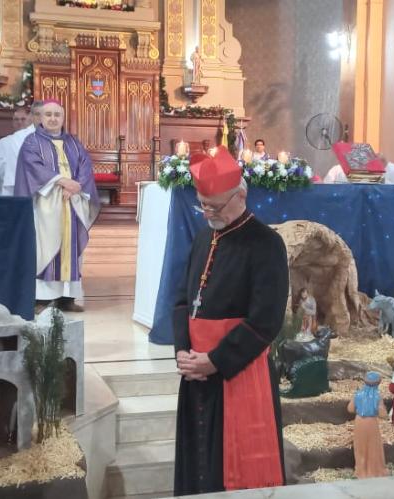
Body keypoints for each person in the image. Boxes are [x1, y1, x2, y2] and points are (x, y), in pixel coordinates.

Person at [172, 146, 288, 494]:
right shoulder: (205, 235)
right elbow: (181, 299)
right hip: (196, 372)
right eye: (202, 204)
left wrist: (216, 361)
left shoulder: (266, 244)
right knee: (197, 465)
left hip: (238, 371)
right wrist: (182, 351)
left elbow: (265, 322)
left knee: (235, 469)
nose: (207, 213)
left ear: (241, 195)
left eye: (215, 206)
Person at [14, 99, 100, 313]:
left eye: (57, 115)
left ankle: (67, 297)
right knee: (46, 247)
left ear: (63, 118)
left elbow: (85, 165)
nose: (53, 118)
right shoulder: (31, 142)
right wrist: (62, 182)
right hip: (47, 204)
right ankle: (42, 299)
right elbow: (32, 167)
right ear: (40, 118)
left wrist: (76, 185)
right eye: (48, 114)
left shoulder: (73, 142)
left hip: (72, 201)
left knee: (72, 249)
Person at [347, 371, 387, 478]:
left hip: (359, 421)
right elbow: (383, 414)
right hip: (371, 422)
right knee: (373, 447)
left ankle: (361, 471)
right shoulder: (378, 397)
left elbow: (350, 409)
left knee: (360, 447)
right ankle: (375, 471)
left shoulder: (358, 394)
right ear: (378, 384)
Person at [0, 108, 35, 195]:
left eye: (23, 119)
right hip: (10, 187)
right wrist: (11, 171)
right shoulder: (4, 142)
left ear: (30, 120)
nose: (19, 122)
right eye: (16, 119)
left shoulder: (37, 140)